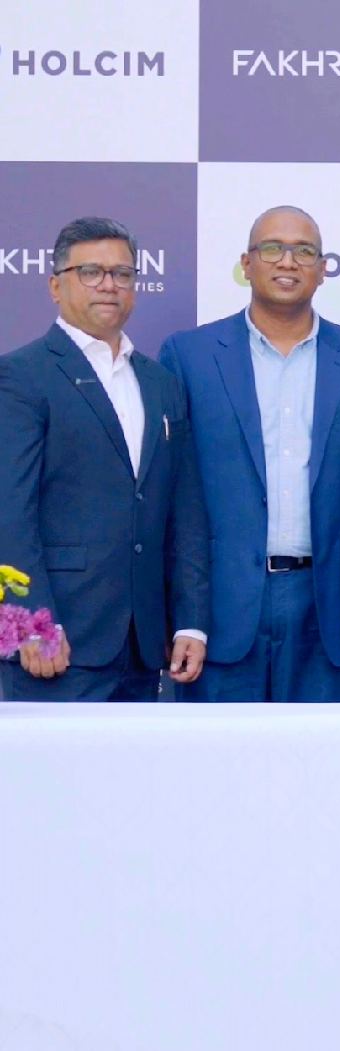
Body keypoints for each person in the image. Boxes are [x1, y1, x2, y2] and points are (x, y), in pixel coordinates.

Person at [158, 206, 340, 702]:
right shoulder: (189, 356)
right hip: (218, 608)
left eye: (304, 250)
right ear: (246, 264)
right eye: (272, 248)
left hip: (327, 603)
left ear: (324, 268)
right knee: (217, 771)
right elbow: (172, 497)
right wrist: (183, 613)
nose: (287, 261)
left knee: (317, 772)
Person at [0, 216, 209, 701]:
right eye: (91, 272)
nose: (109, 285)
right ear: (56, 285)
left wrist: (191, 623)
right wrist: (31, 624)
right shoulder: (21, 376)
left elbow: (186, 513)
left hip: (144, 646)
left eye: (122, 274)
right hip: (56, 644)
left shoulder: (160, 383)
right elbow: (9, 514)